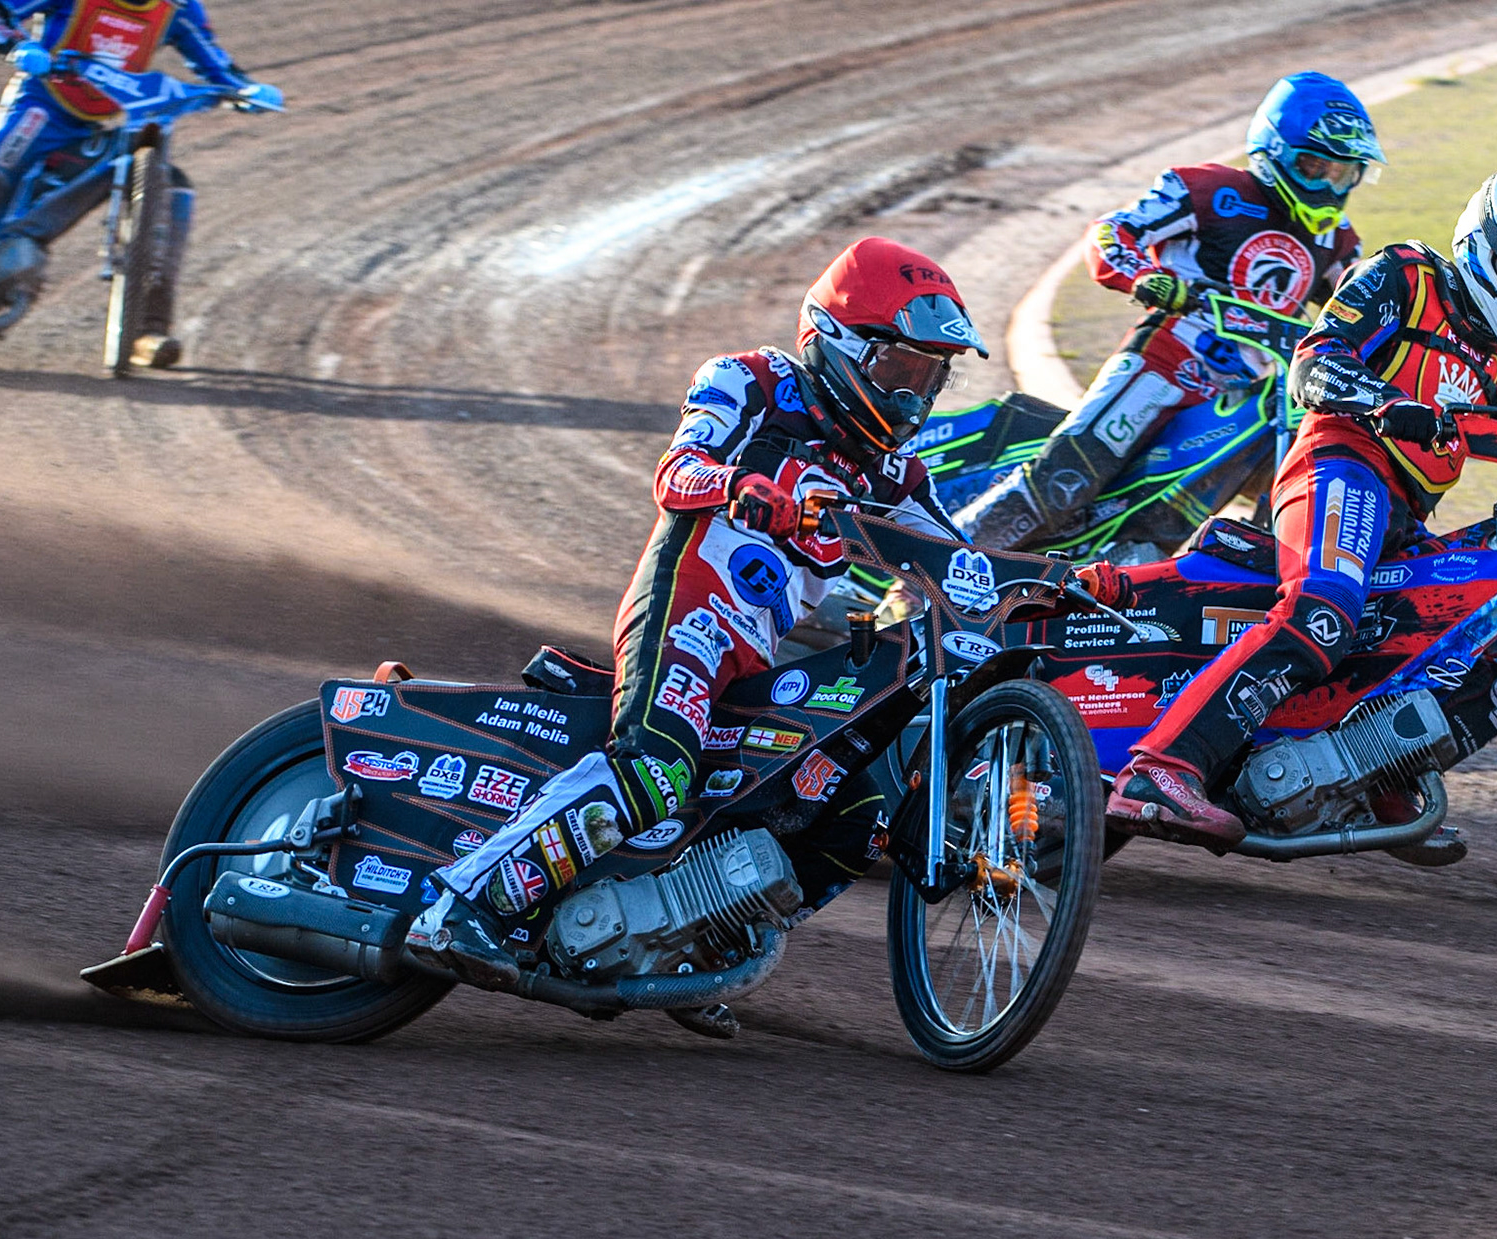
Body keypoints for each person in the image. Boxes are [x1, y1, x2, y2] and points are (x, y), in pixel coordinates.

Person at [407, 238, 1129, 1004]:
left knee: (848, 811)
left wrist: (1067, 581)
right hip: (691, 613)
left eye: (931, 376)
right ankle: (462, 907)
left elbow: (958, 564)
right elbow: (676, 471)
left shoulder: (892, 473)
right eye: (901, 370)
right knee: (657, 770)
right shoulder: (749, 381)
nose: (915, 395)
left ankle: (687, 944)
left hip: (762, 655)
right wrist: (741, 487)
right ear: (839, 342)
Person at [1105, 165, 1497, 855]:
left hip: (1406, 517)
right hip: (1337, 466)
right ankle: (1163, 769)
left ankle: (1372, 775)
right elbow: (1314, 365)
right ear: (1484, 245)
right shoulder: (1404, 276)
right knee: (1322, 612)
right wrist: (1381, 402)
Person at [953, 70, 1384, 554]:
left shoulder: (1339, 239)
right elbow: (1111, 233)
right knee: (1064, 478)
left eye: (1343, 173)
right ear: (1274, 151)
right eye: (1314, 166)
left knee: (1190, 519)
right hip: (1163, 363)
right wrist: (1146, 278)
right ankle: (928, 572)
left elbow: (1362, 310)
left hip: (1249, 399)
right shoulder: (1207, 189)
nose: (1327, 186)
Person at [0, 0, 279, 364]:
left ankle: (148, 330)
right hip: (38, 110)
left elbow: (214, 62)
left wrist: (246, 90)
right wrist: (19, 44)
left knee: (170, 188)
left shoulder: (177, 8)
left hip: (99, 127)